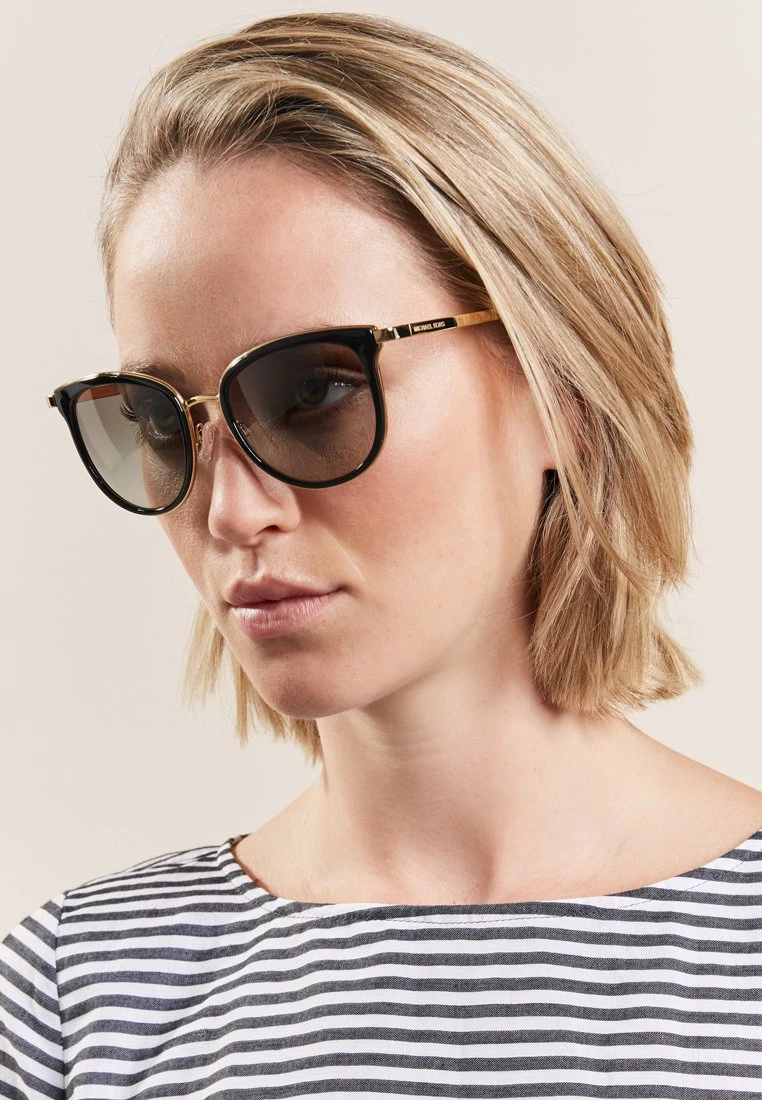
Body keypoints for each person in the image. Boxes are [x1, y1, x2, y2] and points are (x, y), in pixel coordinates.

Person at [2, 10, 761, 1097]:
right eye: (161, 420)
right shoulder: (80, 994)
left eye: (314, 391)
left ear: (564, 393)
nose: (229, 511)